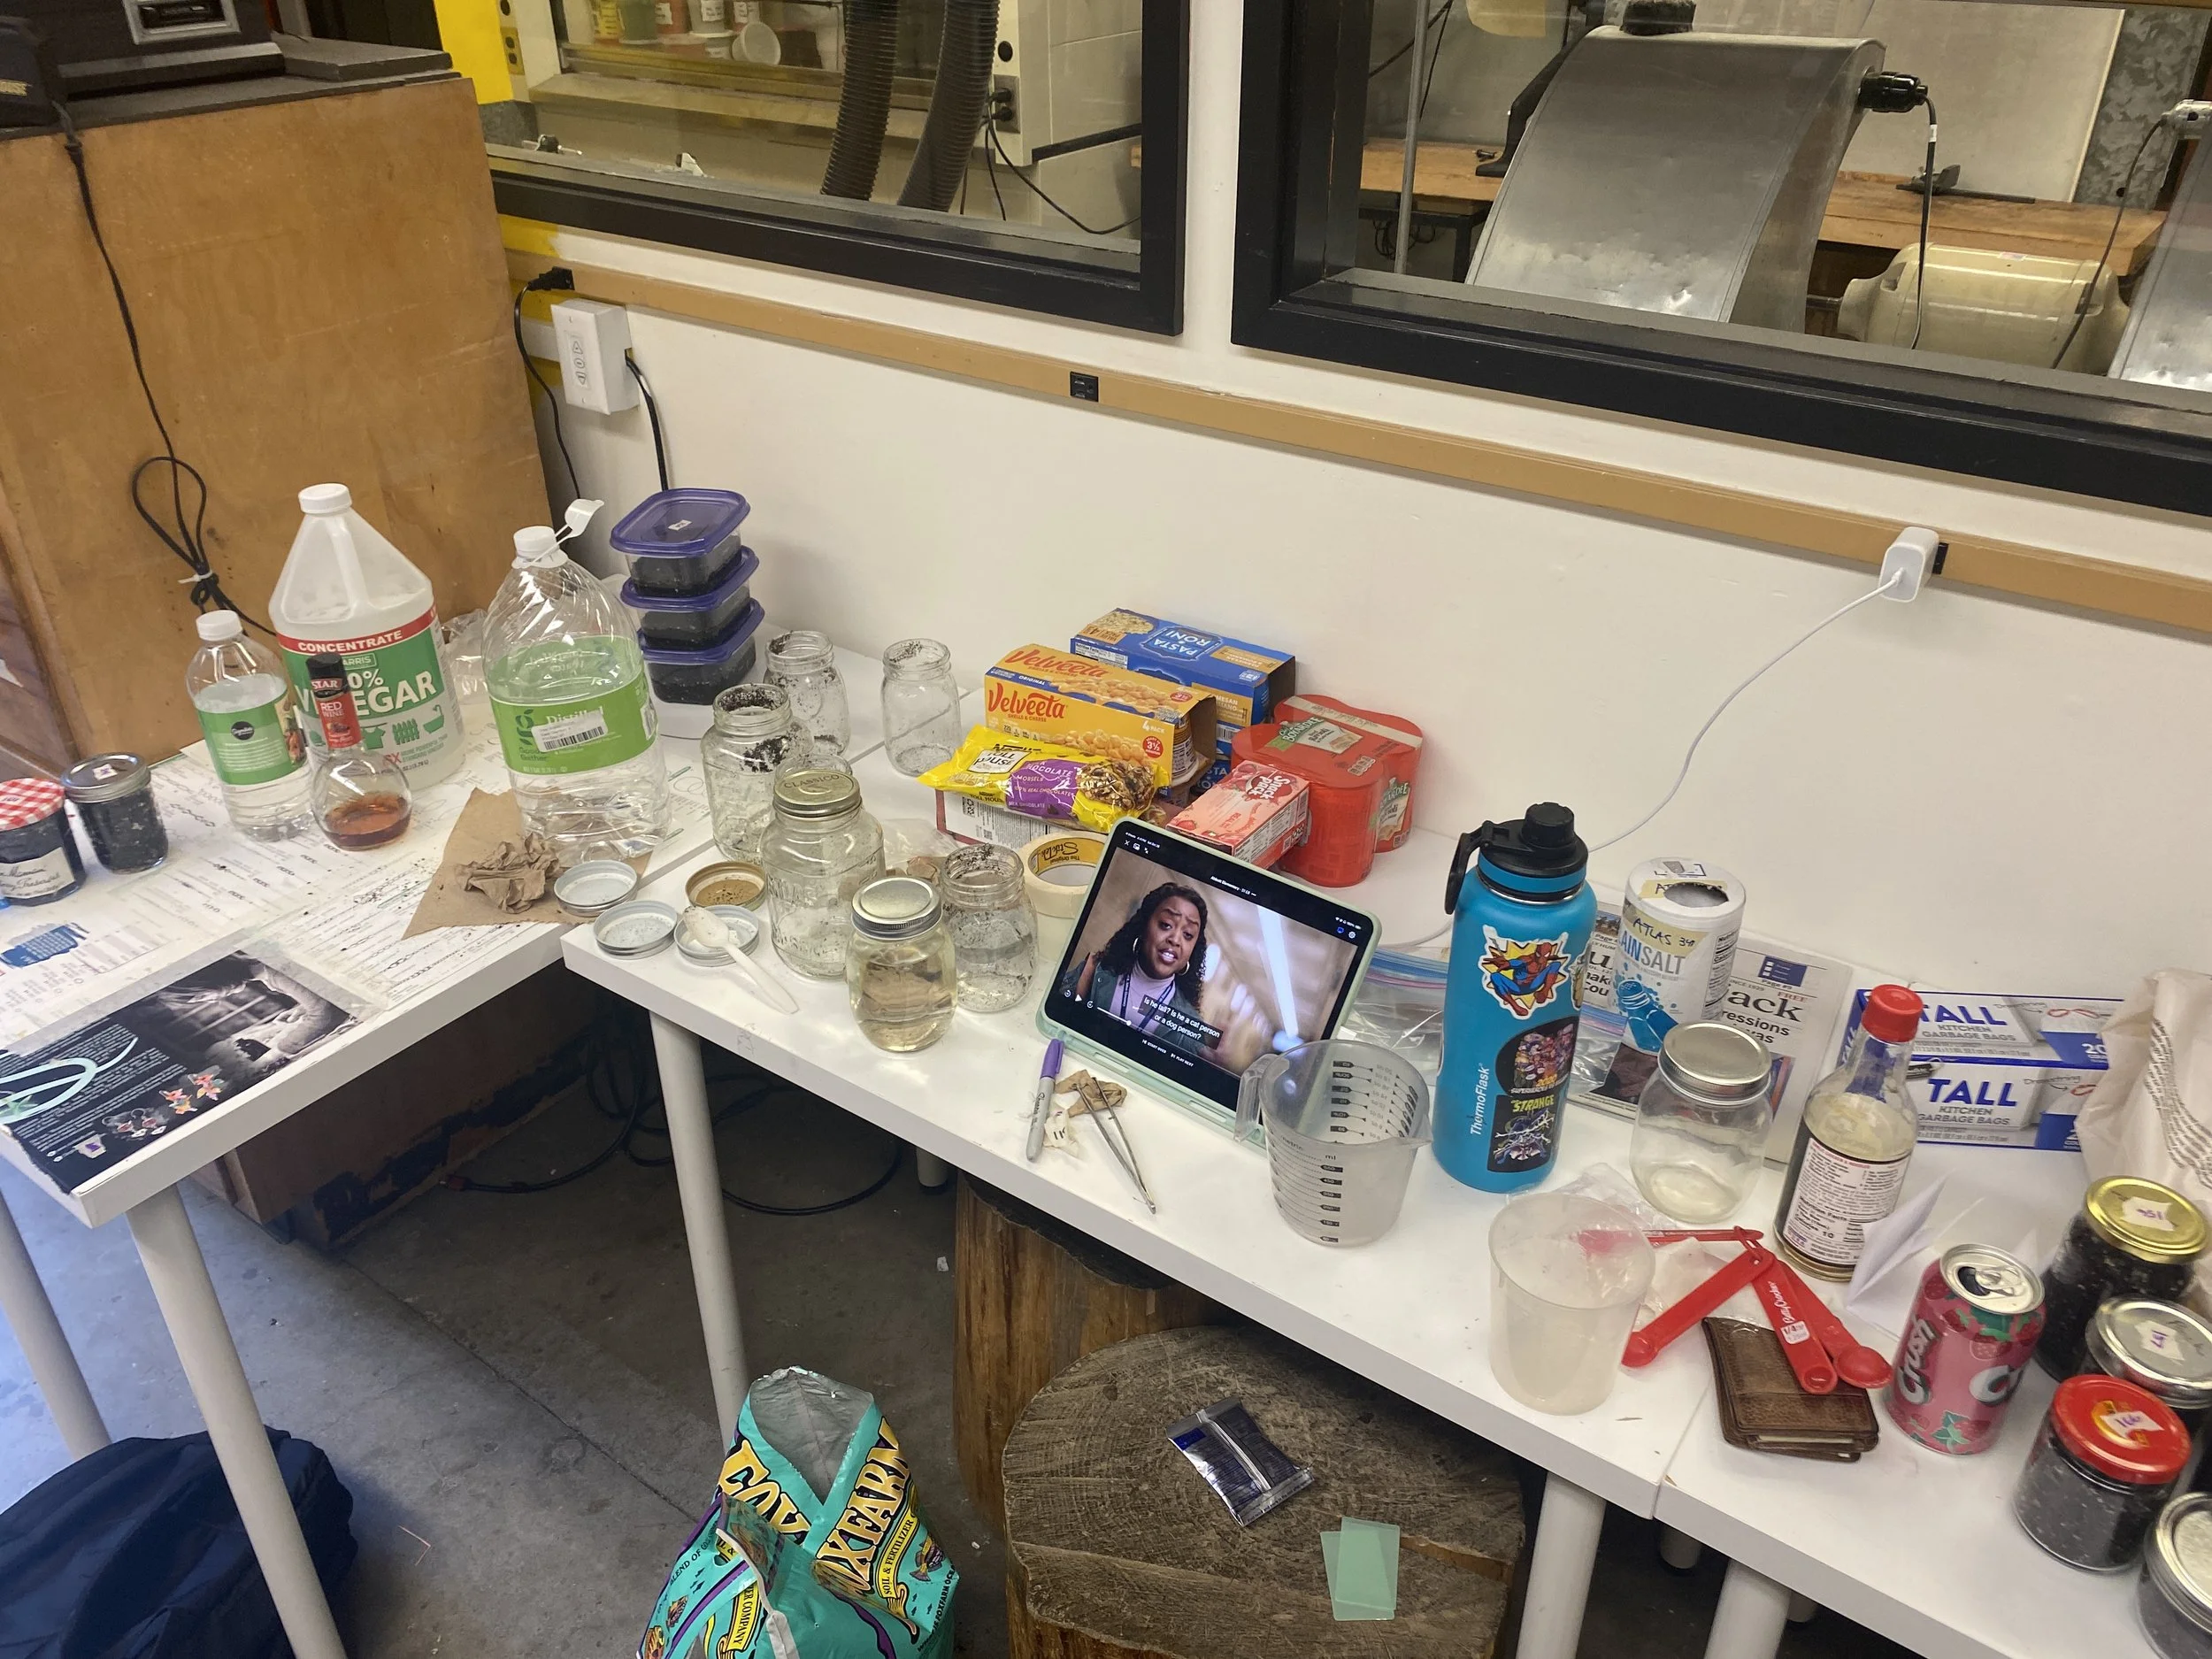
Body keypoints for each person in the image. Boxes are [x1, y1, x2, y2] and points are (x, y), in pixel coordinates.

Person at [1066, 881, 1214, 1056]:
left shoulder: (1189, 1026)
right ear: (1144, 926)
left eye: (1188, 935)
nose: (1175, 940)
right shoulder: (1093, 971)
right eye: (1166, 925)